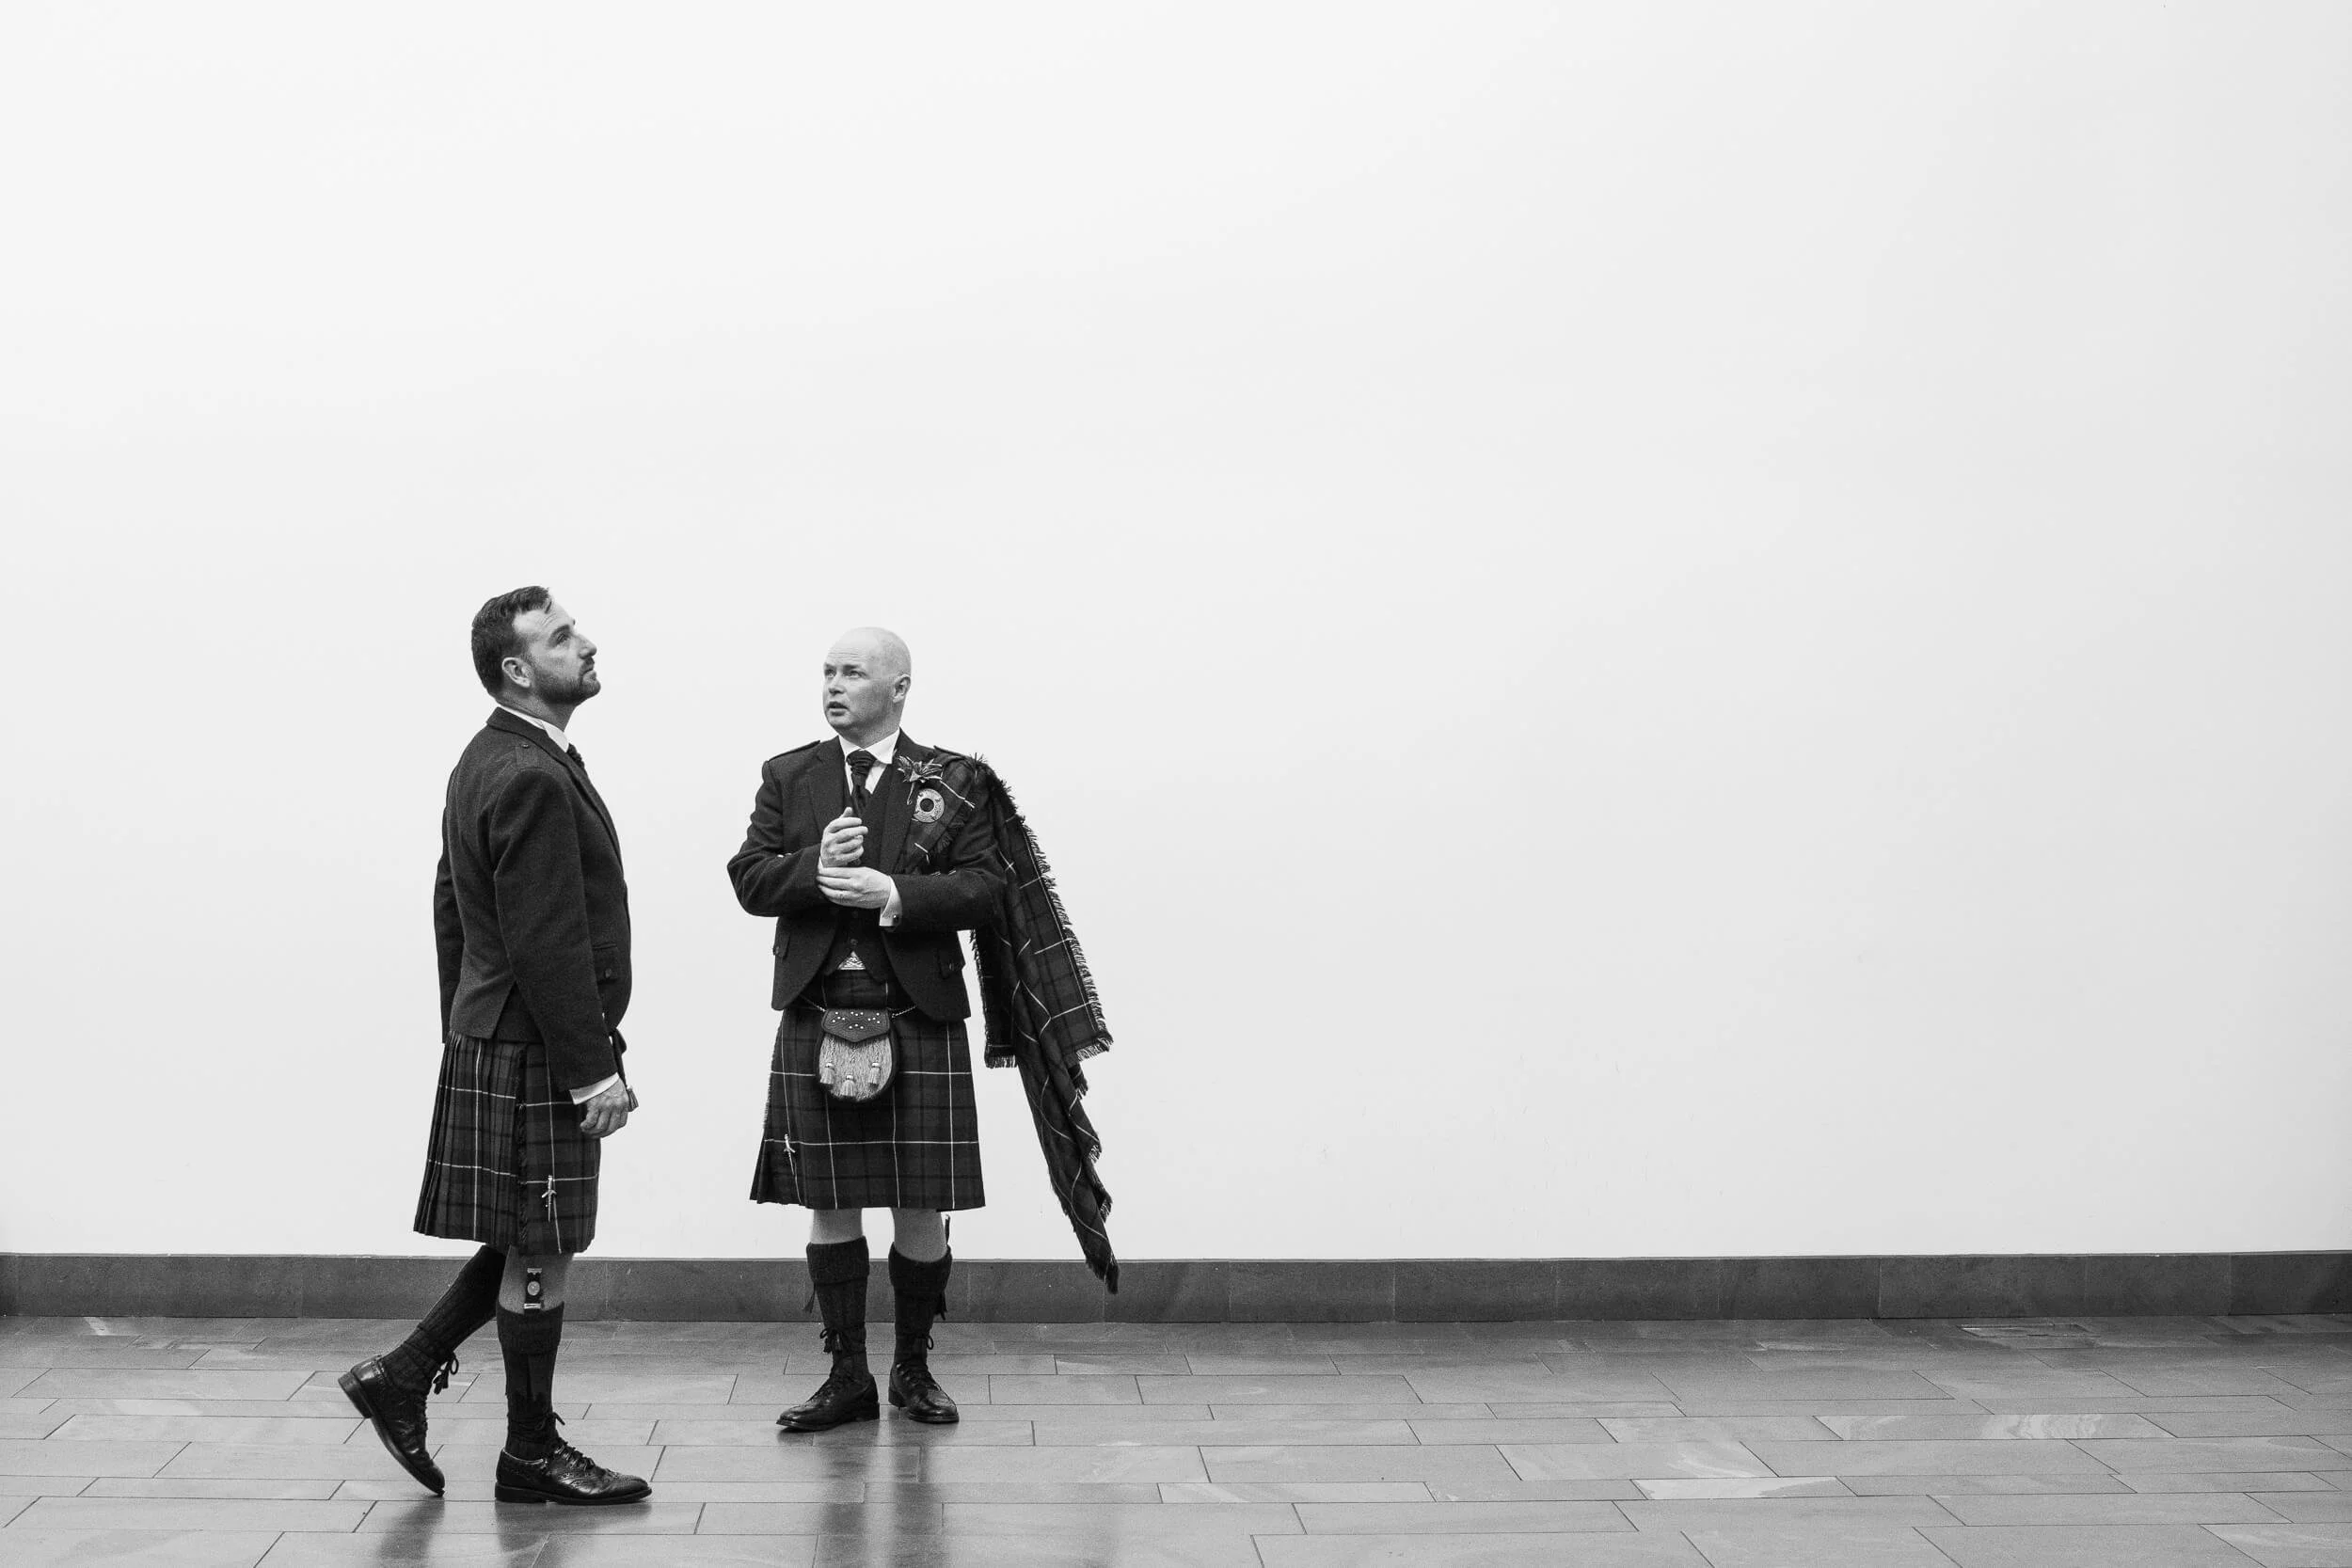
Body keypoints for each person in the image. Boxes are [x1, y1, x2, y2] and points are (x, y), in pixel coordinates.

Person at [341, 587, 650, 1506]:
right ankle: (526, 1450)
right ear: (518, 667)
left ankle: (403, 1374)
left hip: (498, 1036)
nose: (586, 643)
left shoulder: (490, 758)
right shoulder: (527, 773)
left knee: (530, 1235)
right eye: (562, 636)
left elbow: (452, 907)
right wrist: (591, 1065)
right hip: (533, 1047)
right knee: (541, 1247)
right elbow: (545, 939)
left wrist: (462, 1021)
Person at [728, 627, 1004, 1430]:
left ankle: (913, 1370)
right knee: (831, 1200)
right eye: (827, 670)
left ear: (900, 686)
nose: (834, 683)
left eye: (853, 671)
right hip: (817, 1011)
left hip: (916, 1008)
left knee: (921, 1203)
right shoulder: (790, 775)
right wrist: (815, 863)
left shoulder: (952, 779)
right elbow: (749, 878)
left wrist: (895, 889)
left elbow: (988, 886)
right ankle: (846, 1372)